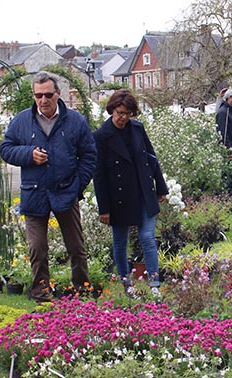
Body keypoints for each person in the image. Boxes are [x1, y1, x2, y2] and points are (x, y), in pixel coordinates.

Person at [0, 71, 97, 303]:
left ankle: (82, 289)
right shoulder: (22, 121)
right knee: (37, 249)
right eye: (38, 96)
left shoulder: (75, 121)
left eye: (48, 95)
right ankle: (41, 293)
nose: (43, 100)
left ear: (58, 94)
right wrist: (28, 154)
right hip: (34, 193)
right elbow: (5, 149)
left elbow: (89, 155)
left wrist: (78, 185)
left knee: (75, 246)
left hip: (66, 191)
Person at [92, 90, 168, 298]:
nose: (122, 117)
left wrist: (160, 187)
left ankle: (154, 283)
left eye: (127, 113)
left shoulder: (137, 128)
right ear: (111, 110)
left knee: (147, 237)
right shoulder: (100, 136)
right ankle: (127, 283)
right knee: (120, 241)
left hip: (143, 190)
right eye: (119, 112)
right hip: (118, 197)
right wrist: (104, 208)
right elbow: (98, 175)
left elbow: (151, 158)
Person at [216, 89, 232, 202]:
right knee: (228, 177)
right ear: (229, 98)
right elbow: (223, 132)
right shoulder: (224, 112)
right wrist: (228, 151)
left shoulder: (230, 111)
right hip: (229, 151)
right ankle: (228, 200)